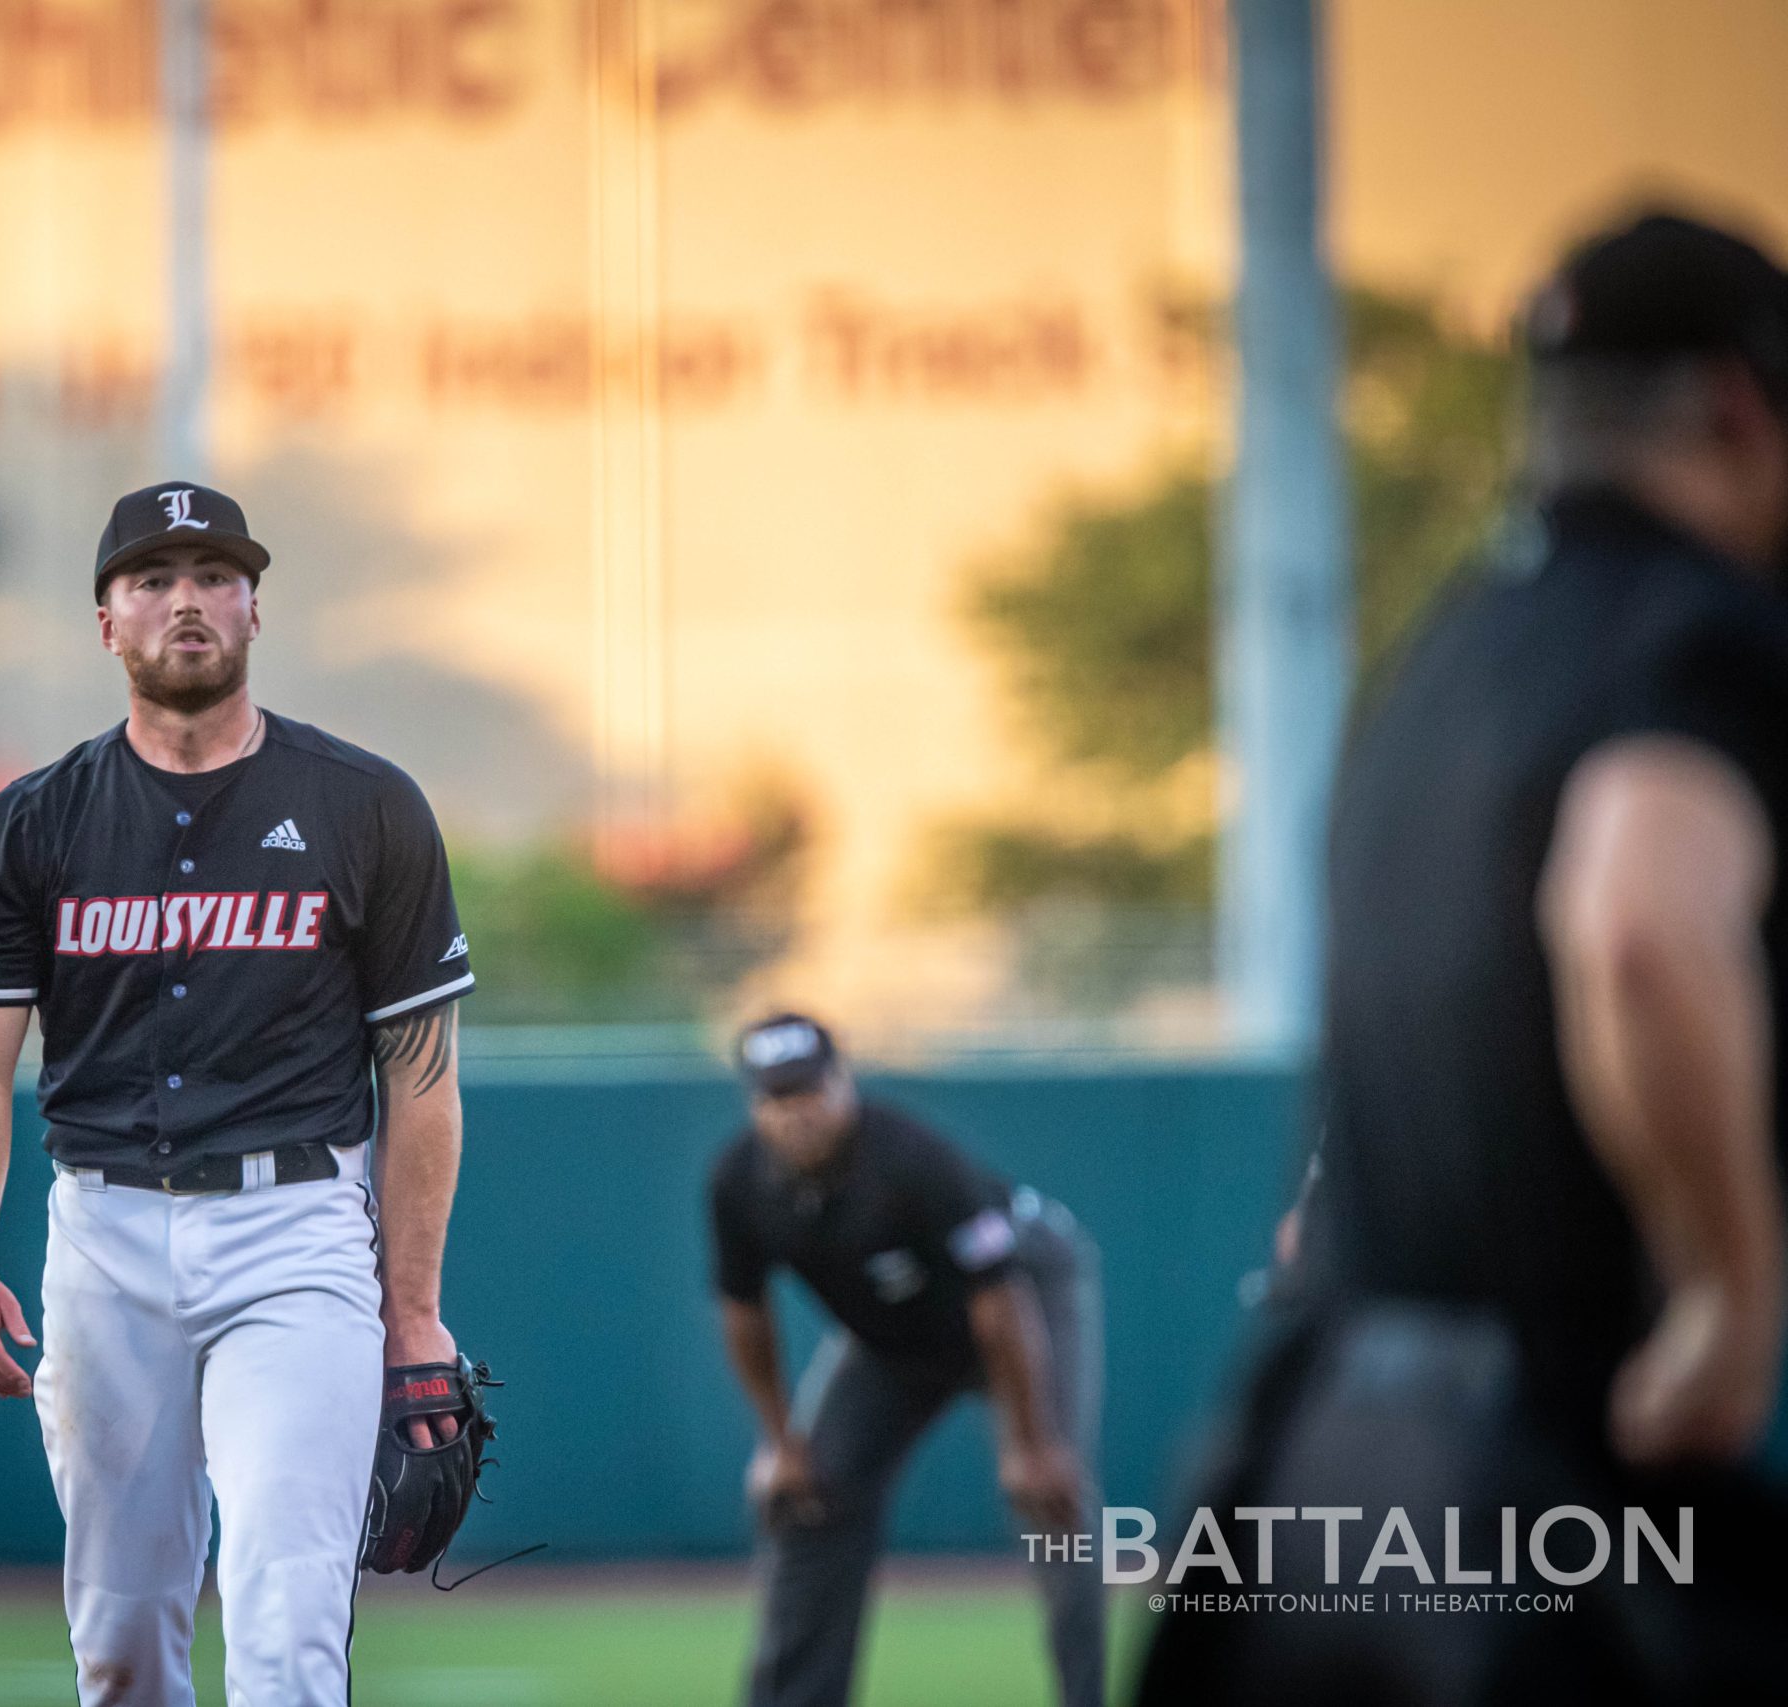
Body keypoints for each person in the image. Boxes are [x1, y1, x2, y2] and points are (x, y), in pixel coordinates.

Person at [1138, 210, 1788, 1705]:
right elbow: (1638, 921)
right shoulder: (1697, 633)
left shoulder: (1443, 652)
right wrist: (1727, 1294)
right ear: (1742, 408)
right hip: (1559, 1507)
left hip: (1314, 1478)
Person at [0, 481, 477, 1707]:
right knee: (118, 1647)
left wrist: (412, 1311)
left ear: (255, 611)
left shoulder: (363, 806)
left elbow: (420, 1079)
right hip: (104, 1238)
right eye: (153, 579)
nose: (187, 601)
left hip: (296, 1235)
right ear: (104, 622)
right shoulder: (30, 823)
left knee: (284, 1625)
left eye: (215, 576)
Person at [709, 1012, 1106, 1707]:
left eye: (810, 1091)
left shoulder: (910, 1160)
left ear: (844, 1082)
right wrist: (780, 1443)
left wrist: (1031, 1440)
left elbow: (997, 1302)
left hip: (1024, 1297)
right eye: (778, 1097)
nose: (797, 1113)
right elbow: (745, 1315)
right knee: (809, 1494)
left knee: (1051, 1501)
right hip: (893, 1339)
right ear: (754, 1105)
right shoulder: (738, 1181)